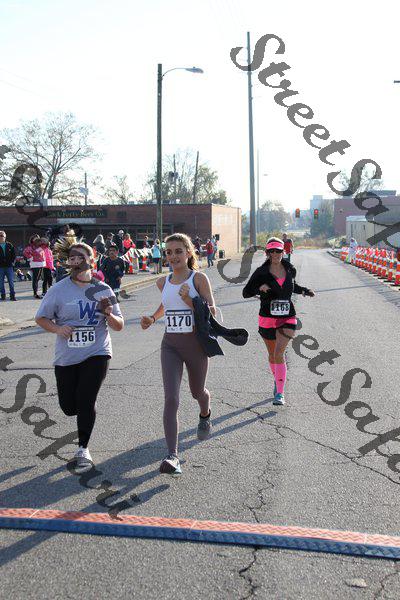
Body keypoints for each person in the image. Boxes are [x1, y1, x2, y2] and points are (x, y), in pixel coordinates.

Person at [35, 236, 124, 473]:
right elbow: (41, 318)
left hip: (97, 351)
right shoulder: (58, 290)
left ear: (92, 261)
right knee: (68, 407)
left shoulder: (103, 289)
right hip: (67, 356)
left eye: (80, 257)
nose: (75, 261)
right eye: (71, 258)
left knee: (86, 400)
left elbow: (119, 325)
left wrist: (108, 313)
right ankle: (80, 417)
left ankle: (83, 449)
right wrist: (58, 329)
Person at [140, 233, 216, 476]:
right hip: (170, 345)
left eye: (178, 251)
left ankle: (205, 413)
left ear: (189, 252)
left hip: (196, 346)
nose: (173, 256)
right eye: (169, 252)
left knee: (197, 392)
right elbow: (167, 304)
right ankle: (172, 456)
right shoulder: (162, 282)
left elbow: (212, 313)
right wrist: (153, 318)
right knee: (171, 398)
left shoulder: (198, 279)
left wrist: (191, 300)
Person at [242, 237, 315, 405]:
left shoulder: (290, 269)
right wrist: (259, 288)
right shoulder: (261, 272)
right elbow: (246, 292)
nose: (275, 254)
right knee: (272, 355)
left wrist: (305, 291)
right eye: (271, 251)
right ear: (267, 253)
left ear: (284, 251)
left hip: (287, 317)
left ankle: (280, 393)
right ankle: (278, 379)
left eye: (278, 251)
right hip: (267, 317)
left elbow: (293, 286)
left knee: (279, 353)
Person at [0, 230, 16, 301]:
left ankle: (12, 296)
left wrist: (12, 262)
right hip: (0, 267)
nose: (1, 237)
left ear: (5, 237)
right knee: (1, 283)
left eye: (2, 236)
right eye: (0, 236)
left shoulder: (10, 245)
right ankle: (3, 296)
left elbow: (14, 255)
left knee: (11, 282)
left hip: (9, 266)